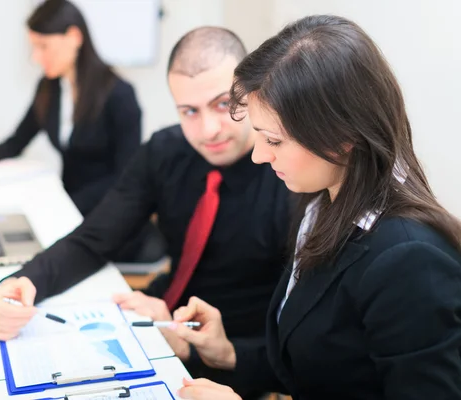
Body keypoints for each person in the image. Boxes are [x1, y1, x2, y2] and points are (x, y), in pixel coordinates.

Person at [0, 27, 291, 399]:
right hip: (162, 316)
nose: (208, 130)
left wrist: (199, 349)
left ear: (250, 95)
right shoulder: (165, 151)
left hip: (236, 353)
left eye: (223, 104)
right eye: (189, 111)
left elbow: (298, 338)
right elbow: (95, 238)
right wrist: (22, 284)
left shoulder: (287, 173)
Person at [170, 15, 461, 400]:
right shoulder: (320, 204)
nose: (258, 156)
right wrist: (228, 354)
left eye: (273, 141)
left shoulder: (410, 260)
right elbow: (320, 369)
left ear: (341, 137)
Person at [0, 0, 161, 263]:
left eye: (43, 46)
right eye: (33, 47)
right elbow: (17, 141)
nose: (36, 57)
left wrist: (61, 204)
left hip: (108, 221)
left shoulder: (119, 95)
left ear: (74, 37)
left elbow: (124, 177)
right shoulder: (49, 87)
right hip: (68, 212)